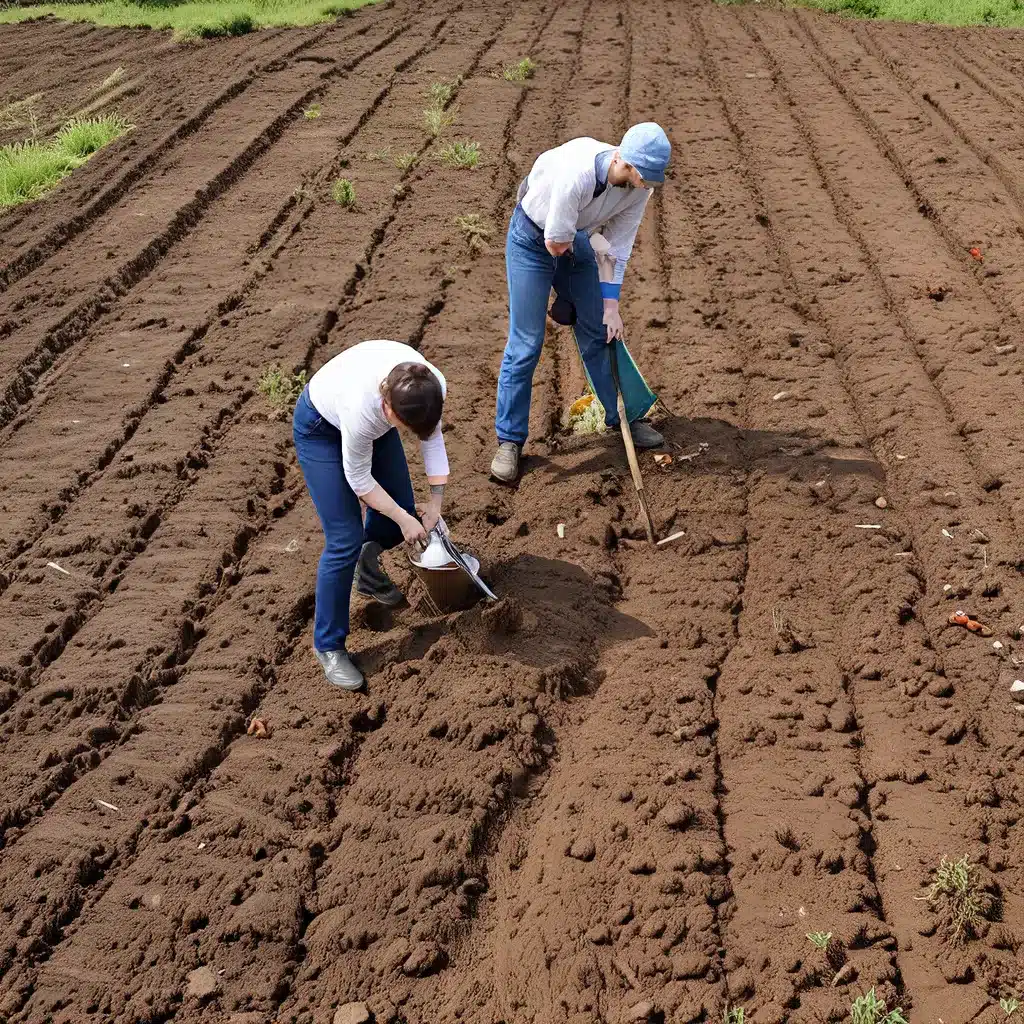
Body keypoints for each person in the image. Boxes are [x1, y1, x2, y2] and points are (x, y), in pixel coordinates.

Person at [491, 122, 672, 483]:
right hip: (534, 238)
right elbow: (556, 243)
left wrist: (609, 308)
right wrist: (564, 295)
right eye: (640, 174)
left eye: (649, 178)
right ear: (623, 158)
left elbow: (617, 250)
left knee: (600, 329)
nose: (643, 183)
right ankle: (509, 441)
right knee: (526, 343)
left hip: (577, 238)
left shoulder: (639, 189)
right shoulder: (577, 174)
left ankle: (623, 417)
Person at [293, 340, 449, 691]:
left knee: (401, 516)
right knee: (344, 538)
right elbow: (360, 481)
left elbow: (432, 438)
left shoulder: (430, 388)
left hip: (372, 426)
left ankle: (367, 572)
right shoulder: (363, 410)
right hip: (321, 428)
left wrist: (435, 505)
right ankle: (329, 646)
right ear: (388, 404)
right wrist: (405, 519)